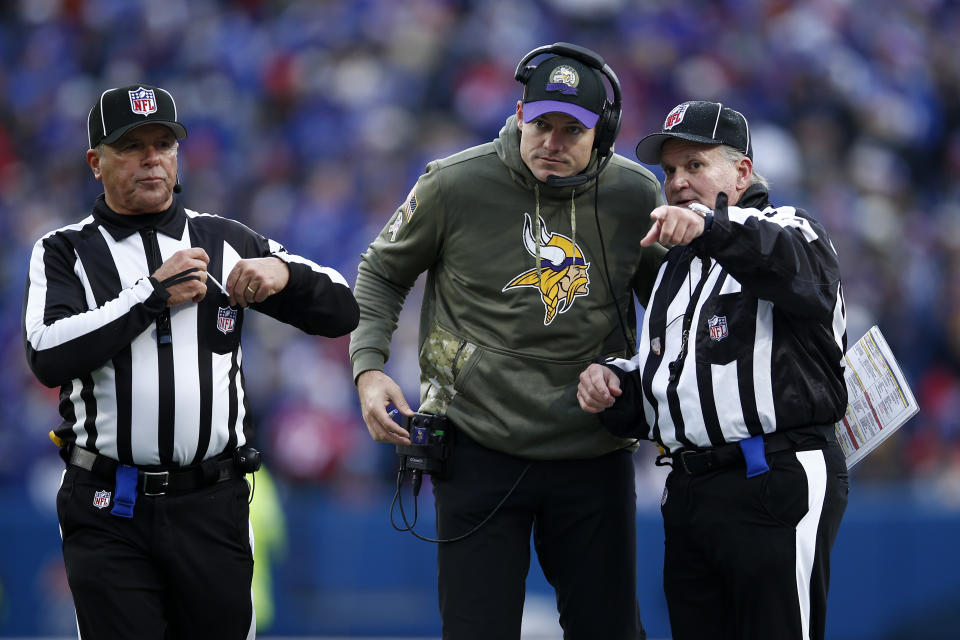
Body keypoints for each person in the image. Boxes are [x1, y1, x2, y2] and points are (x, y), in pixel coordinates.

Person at [349, 42, 665, 639]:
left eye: (572, 129)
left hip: (591, 451)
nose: (552, 141)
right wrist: (369, 368)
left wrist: (636, 378)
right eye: (541, 122)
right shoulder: (452, 184)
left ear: (604, 133)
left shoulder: (634, 195)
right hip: (477, 445)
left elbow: (675, 308)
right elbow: (381, 272)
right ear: (520, 113)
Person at [22, 84, 359, 639]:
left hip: (213, 502)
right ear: (95, 162)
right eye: (132, 146)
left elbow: (342, 309)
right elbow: (47, 354)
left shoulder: (222, 238)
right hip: (109, 505)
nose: (152, 158)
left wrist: (285, 274)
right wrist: (148, 296)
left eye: (164, 143)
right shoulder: (65, 250)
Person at [577, 100, 850, 640]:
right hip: (691, 489)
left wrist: (710, 227)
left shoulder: (788, 227)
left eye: (695, 166)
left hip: (772, 476)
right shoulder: (676, 270)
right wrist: (614, 384)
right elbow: (674, 382)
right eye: (671, 171)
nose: (677, 182)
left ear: (742, 171)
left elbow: (793, 268)